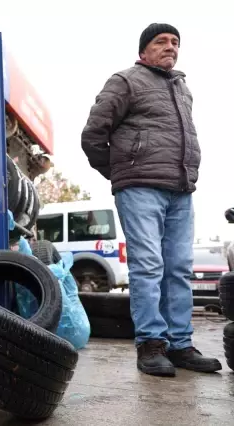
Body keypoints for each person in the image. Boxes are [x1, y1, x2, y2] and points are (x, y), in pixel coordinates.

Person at [81, 23, 221, 376]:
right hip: (140, 188)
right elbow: (93, 135)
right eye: (162, 41)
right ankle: (151, 345)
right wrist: (121, 175)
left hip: (180, 190)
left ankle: (180, 345)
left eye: (175, 42)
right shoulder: (126, 80)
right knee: (148, 266)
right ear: (144, 50)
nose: (170, 47)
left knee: (178, 268)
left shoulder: (182, 89)